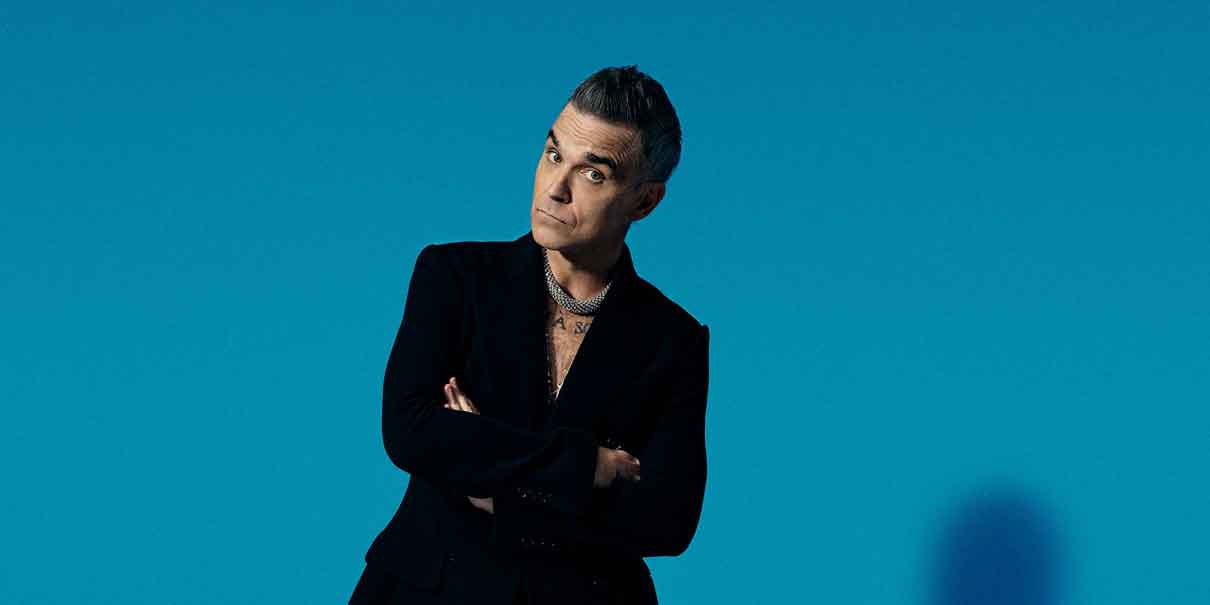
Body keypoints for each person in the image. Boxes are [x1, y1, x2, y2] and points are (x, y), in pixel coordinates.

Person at [349, 64, 710, 605]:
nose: (555, 189)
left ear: (644, 201)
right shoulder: (454, 277)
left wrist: (498, 488)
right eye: (553, 154)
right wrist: (586, 466)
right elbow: (410, 430)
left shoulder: (673, 339)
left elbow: (667, 521)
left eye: (593, 174)